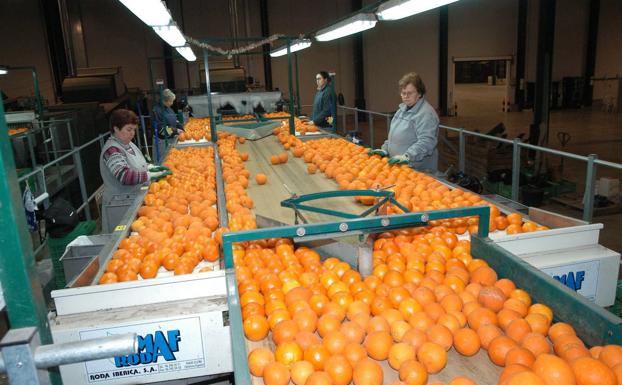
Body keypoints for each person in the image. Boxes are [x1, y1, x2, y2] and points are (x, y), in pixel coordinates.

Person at [100, 109, 167, 233]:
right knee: (122, 241)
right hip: (120, 206)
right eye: (129, 129)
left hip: (133, 199)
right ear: (116, 129)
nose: (132, 134)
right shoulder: (112, 150)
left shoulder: (129, 144)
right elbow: (124, 176)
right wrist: (148, 175)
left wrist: (149, 167)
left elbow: (136, 164)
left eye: (134, 130)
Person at [369, 72, 439, 172]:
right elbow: (393, 137)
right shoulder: (401, 110)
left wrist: (407, 156)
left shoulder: (426, 114)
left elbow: (427, 142)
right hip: (399, 168)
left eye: (410, 93)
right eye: (403, 93)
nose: (406, 96)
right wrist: (385, 149)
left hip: (417, 171)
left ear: (419, 93)